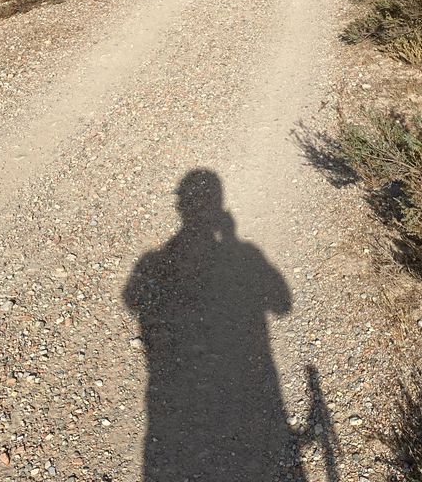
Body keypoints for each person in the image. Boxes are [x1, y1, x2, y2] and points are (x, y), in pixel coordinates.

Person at [124, 169, 305, 481]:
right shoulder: (246, 254)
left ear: (180, 207)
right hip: (248, 381)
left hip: (172, 391)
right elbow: (282, 304)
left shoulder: (156, 258)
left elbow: (132, 300)